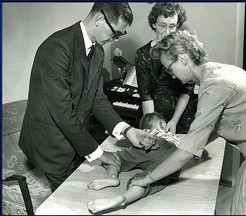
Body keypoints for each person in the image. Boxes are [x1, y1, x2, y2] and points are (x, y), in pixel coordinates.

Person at [130, 30, 246, 215]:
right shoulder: (219, 71)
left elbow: (187, 152)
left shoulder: (214, 86)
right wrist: (192, 143)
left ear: (183, 59)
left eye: (170, 69)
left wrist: (148, 178)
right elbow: (214, 126)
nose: (171, 75)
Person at [18, 3, 157, 192]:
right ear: (100, 20)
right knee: (75, 200)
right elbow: (63, 113)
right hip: (51, 146)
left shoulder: (98, 51)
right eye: (115, 33)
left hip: (75, 141)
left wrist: (127, 130)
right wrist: (99, 154)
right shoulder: (57, 48)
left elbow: (97, 98)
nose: (115, 39)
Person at [87, 112, 182, 214]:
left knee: (114, 158)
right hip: (174, 155)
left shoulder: (147, 134)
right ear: (163, 125)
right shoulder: (172, 136)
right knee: (145, 180)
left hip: (149, 142)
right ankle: (124, 198)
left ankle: (112, 177)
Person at [135, 3, 197, 134]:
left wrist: (174, 121)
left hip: (181, 114)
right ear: (153, 24)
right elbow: (146, 95)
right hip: (152, 112)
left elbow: (187, 90)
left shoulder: (185, 50)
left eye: (172, 26)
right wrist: (153, 126)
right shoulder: (143, 54)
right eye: (162, 25)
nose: (167, 31)